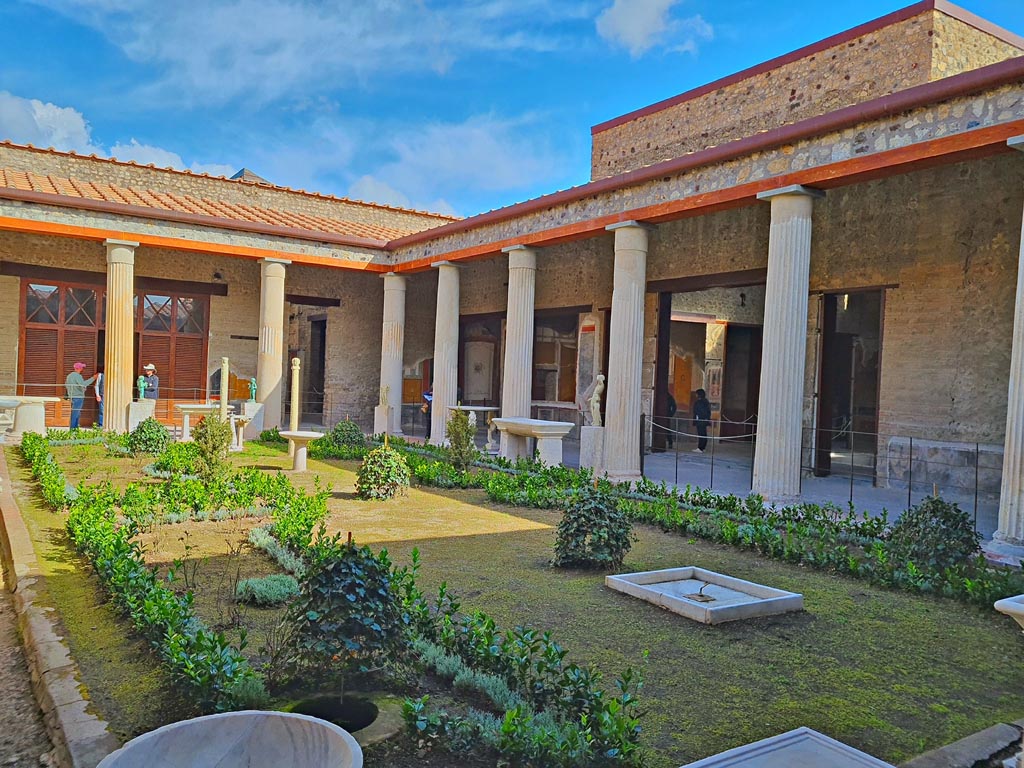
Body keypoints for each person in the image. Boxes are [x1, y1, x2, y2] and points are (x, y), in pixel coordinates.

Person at [64, 362, 96, 430]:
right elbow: (83, 384)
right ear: (79, 368)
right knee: (75, 413)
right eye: (82, 368)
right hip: (78, 397)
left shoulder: (69, 376)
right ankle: (72, 429)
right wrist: (93, 378)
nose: (83, 369)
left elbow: (67, 386)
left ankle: (75, 428)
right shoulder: (78, 376)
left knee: (76, 413)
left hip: (72, 397)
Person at [692, 388, 711, 453]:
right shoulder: (706, 401)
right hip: (704, 420)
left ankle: (700, 448)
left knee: (701, 434)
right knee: (703, 434)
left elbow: (699, 411)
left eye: (696, 394)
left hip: (700, 420)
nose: (696, 395)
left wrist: (698, 418)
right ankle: (703, 447)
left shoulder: (700, 402)